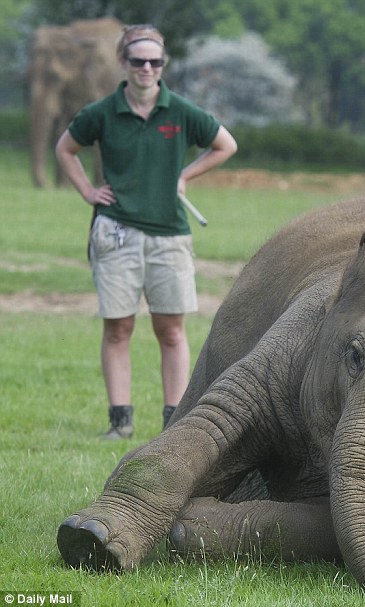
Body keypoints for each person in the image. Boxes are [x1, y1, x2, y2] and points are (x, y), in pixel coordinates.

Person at [56, 24, 238, 439]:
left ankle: (173, 423)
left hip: (169, 236)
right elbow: (65, 149)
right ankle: (120, 423)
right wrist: (87, 190)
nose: (147, 68)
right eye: (138, 61)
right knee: (118, 328)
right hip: (115, 233)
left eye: (155, 61)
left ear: (163, 65)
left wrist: (185, 175)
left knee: (171, 329)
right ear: (124, 62)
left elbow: (226, 144)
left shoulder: (181, 112)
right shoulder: (101, 112)